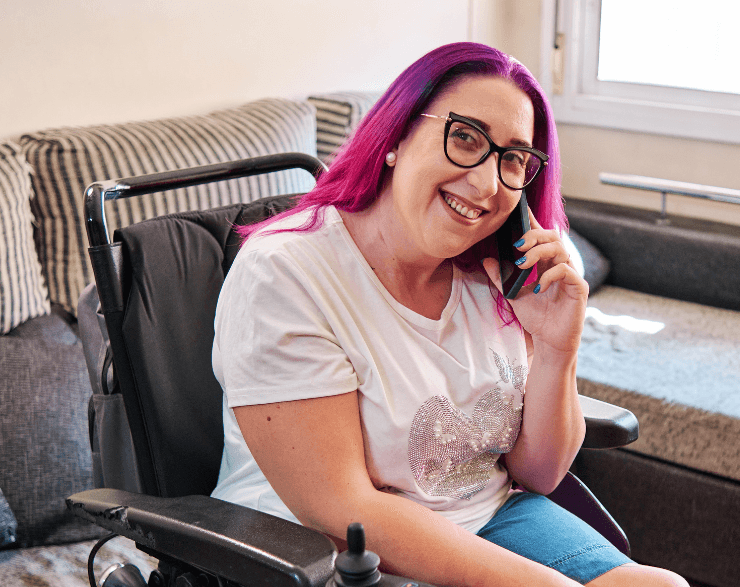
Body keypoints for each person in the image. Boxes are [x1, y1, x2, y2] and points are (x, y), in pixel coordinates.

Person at [210, 42, 688, 587]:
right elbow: (340, 505)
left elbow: (540, 473)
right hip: (332, 551)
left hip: (490, 518)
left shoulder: (492, 271)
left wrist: (558, 347)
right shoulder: (285, 272)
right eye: (465, 137)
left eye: (512, 159)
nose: (487, 185)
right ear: (395, 137)